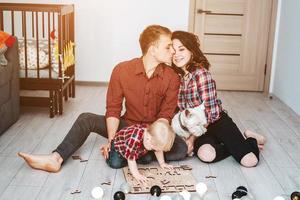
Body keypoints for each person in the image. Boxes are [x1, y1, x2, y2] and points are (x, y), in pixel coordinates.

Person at [18, 25, 188, 172]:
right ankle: (56, 158)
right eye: (168, 47)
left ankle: (141, 152)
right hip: (127, 127)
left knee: (181, 149)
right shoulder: (122, 71)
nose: (173, 51)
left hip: (154, 131)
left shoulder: (172, 77)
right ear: (152, 49)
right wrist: (112, 141)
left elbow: (165, 116)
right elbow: (113, 109)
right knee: (86, 119)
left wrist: (150, 139)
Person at [171, 31, 266, 167]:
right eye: (173, 51)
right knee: (206, 156)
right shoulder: (176, 77)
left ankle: (251, 140)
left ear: (191, 50)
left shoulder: (201, 74)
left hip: (215, 122)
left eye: (181, 49)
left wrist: (192, 139)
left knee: (249, 161)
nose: (177, 55)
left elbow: (211, 114)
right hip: (197, 128)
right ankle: (232, 143)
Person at [107, 119, 175, 183]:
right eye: (155, 148)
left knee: (147, 159)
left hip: (135, 150)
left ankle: (132, 160)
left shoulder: (151, 136)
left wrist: (162, 163)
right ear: (148, 140)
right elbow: (131, 159)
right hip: (119, 148)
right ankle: (118, 156)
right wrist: (137, 175)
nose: (156, 150)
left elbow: (158, 151)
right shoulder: (134, 139)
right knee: (115, 163)